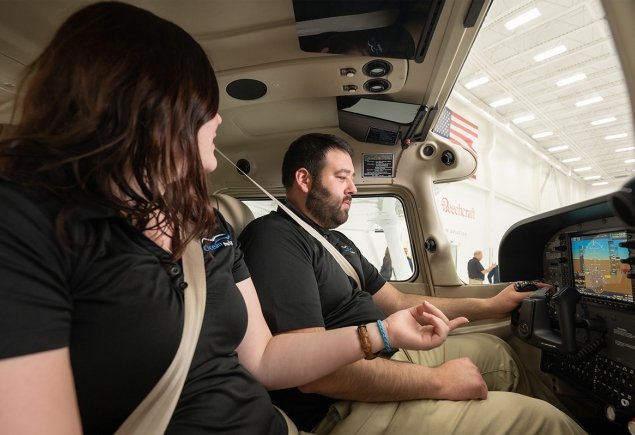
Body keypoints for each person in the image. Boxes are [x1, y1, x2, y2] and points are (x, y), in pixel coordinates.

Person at [0, 4, 469, 434]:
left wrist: (383, 332)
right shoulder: (24, 225)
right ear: (158, 113)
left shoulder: (202, 222)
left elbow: (265, 358)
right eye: (208, 116)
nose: (214, 140)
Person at [239, 133, 586, 434]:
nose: (353, 188)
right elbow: (317, 377)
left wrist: (489, 305)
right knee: (541, 422)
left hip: (383, 355)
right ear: (304, 179)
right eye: (342, 177)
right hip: (342, 404)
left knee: (501, 354)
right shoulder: (275, 239)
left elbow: (398, 301)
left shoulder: (334, 242)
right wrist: (439, 380)